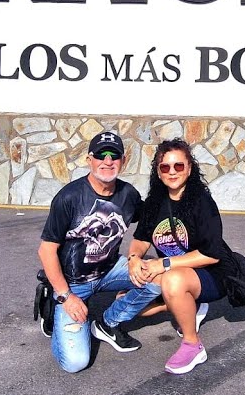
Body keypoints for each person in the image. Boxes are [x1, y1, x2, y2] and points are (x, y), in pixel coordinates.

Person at [37, 131, 161, 373]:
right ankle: (51, 301)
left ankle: (108, 322)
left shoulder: (128, 195)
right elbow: (46, 250)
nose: (107, 161)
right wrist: (66, 296)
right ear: (89, 160)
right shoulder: (69, 197)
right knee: (75, 362)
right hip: (73, 284)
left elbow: (151, 221)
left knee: (160, 276)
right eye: (100, 155)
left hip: (109, 269)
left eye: (114, 155)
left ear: (123, 161)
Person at [128, 138, 233, 374]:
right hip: (171, 271)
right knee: (126, 299)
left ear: (189, 168)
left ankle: (193, 345)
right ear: (158, 171)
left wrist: (163, 264)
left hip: (210, 274)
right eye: (165, 167)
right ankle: (185, 305)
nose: (172, 172)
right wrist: (134, 258)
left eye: (179, 166)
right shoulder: (154, 202)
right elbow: (142, 238)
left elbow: (212, 254)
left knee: (173, 281)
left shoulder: (201, 202)